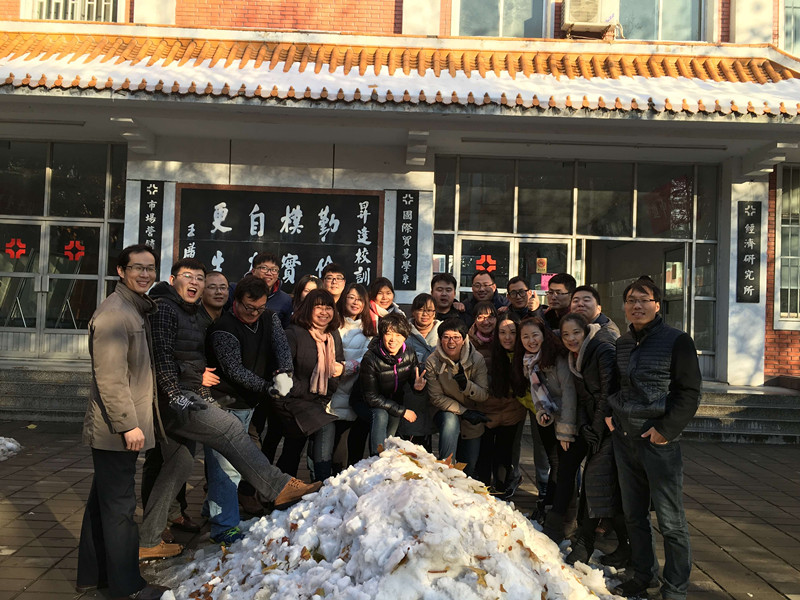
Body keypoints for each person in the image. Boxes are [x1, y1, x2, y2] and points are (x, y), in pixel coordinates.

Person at [138, 263, 320, 558]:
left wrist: (282, 375)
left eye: (200, 278)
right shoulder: (166, 309)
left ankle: (148, 540)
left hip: (189, 393)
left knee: (178, 466)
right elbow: (161, 359)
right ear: (172, 280)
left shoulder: (191, 311)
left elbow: (194, 358)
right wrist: (180, 392)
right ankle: (277, 486)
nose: (195, 283)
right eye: (188, 277)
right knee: (230, 429)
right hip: (176, 398)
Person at [76, 243, 170, 600]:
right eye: (137, 268)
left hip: (121, 426)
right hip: (116, 429)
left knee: (102, 504)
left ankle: (93, 576)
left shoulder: (133, 308)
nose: (145, 274)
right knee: (120, 509)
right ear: (121, 271)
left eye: (150, 268)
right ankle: (128, 588)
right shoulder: (115, 314)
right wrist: (128, 425)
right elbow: (110, 378)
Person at [607, 276, 701, 600]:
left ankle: (675, 588)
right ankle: (643, 574)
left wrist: (666, 430)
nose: (637, 306)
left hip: (658, 443)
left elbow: (689, 392)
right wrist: (611, 413)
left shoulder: (677, 341)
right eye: (631, 300)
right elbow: (617, 384)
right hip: (625, 439)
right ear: (624, 306)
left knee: (671, 520)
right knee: (634, 516)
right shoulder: (622, 343)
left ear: (657, 305)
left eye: (644, 300)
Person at [204, 276, 294, 545]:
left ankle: (214, 509)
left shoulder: (269, 317)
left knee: (232, 464)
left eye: (260, 308)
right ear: (236, 301)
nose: (254, 314)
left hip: (247, 405)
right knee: (226, 467)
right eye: (248, 308)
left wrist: (285, 372)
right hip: (222, 403)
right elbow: (234, 370)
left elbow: (281, 347)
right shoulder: (223, 328)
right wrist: (268, 387)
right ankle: (223, 527)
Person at [559, 312, 627, 567]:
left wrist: (596, 428)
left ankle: (585, 543)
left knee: (594, 480)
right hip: (596, 425)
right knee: (604, 486)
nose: (571, 338)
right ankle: (623, 547)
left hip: (612, 426)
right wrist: (585, 426)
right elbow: (584, 398)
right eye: (565, 335)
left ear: (586, 331)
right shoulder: (575, 357)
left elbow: (608, 392)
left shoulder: (601, 349)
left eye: (576, 333)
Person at [512, 317, 583, 543]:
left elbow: (569, 393)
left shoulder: (557, 357)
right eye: (525, 336)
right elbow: (537, 394)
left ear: (544, 335)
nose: (531, 340)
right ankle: (554, 513)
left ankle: (567, 521)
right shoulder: (528, 361)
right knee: (556, 465)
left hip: (566, 420)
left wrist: (566, 430)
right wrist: (541, 412)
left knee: (566, 470)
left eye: (535, 335)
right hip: (547, 419)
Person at [275, 289, 343, 481]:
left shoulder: (332, 335)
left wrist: (324, 395)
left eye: (328, 307)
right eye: (318, 307)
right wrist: (308, 393)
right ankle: (322, 483)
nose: (324, 312)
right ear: (307, 309)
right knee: (324, 427)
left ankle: (284, 486)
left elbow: (336, 369)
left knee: (293, 448)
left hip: (317, 401)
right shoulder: (293, 333)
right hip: (290, 401)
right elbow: (283, 375)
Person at [352, 312, 427, 455]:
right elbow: (371, 397)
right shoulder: (371, 358)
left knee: (391, 427)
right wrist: (402, 411)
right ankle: (377, 458)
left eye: (398, 335)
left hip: (393, 403)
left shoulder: (409, 353)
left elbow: (415, 381)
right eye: (388, 334)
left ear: (405, 337)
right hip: (366, 402)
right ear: (382, 335)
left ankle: (386, 459)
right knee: (381, 414)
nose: (393, 339)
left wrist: (418, 388)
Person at [474, 313, 527, 497]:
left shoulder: (526, 355)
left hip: (512, 413)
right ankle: (482, 491)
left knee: (504, 455)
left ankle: (501, 489)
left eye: (512, 332)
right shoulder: (489, 354)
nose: (507, 337)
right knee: (485, 453)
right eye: (502, 332)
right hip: (489, 411)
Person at [425, 318, 489, 468]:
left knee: (468, 465)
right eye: (446, 337)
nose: (451, 342)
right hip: (445, 411)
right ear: (440, 340)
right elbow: (436, 397)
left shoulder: (477, 359)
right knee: (450, 420)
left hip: (473, 414)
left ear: (464, 339)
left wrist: (466, 385)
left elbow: (483, 394)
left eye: (456, 337)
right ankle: (445, 467)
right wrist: (463, 411)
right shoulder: (432, 361)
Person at [329, 283, 375, 468]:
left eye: (360, 299)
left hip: (356, 392)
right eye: (351, 297)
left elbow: (367, 358)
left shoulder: (369, 329)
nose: (356, 302)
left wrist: (345, 367)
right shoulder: (332, 323)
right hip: (332, 390)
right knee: (333, 447)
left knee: (355, 445)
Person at [401, 293, 441, 446]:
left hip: (436, 391)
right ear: (413, 311)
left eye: (429, 310)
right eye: (421, 310)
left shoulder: (442, 332)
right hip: (410, 391)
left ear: (435, 313)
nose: (425, 314)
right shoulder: (404, 332)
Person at [250, 252, 292, 328]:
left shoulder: (285, 300)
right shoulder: (239, 291)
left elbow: (286, 328)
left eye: (274, 269)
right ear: (253, 271)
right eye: (264, 268)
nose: (269, 273)